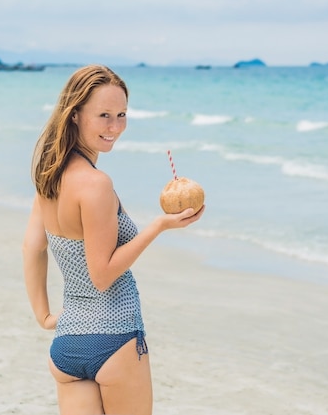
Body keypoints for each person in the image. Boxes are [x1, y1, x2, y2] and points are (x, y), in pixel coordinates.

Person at [22, 64, 204, 415]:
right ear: (74, 115)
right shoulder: (95, 184)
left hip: (67, 347)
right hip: (114, 338)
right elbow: (102, 275)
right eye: (103, 115)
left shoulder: (50, 177)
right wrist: (158, 227)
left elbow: (32, 247)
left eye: (121, 115)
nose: (115, 127)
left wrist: (44, 315)